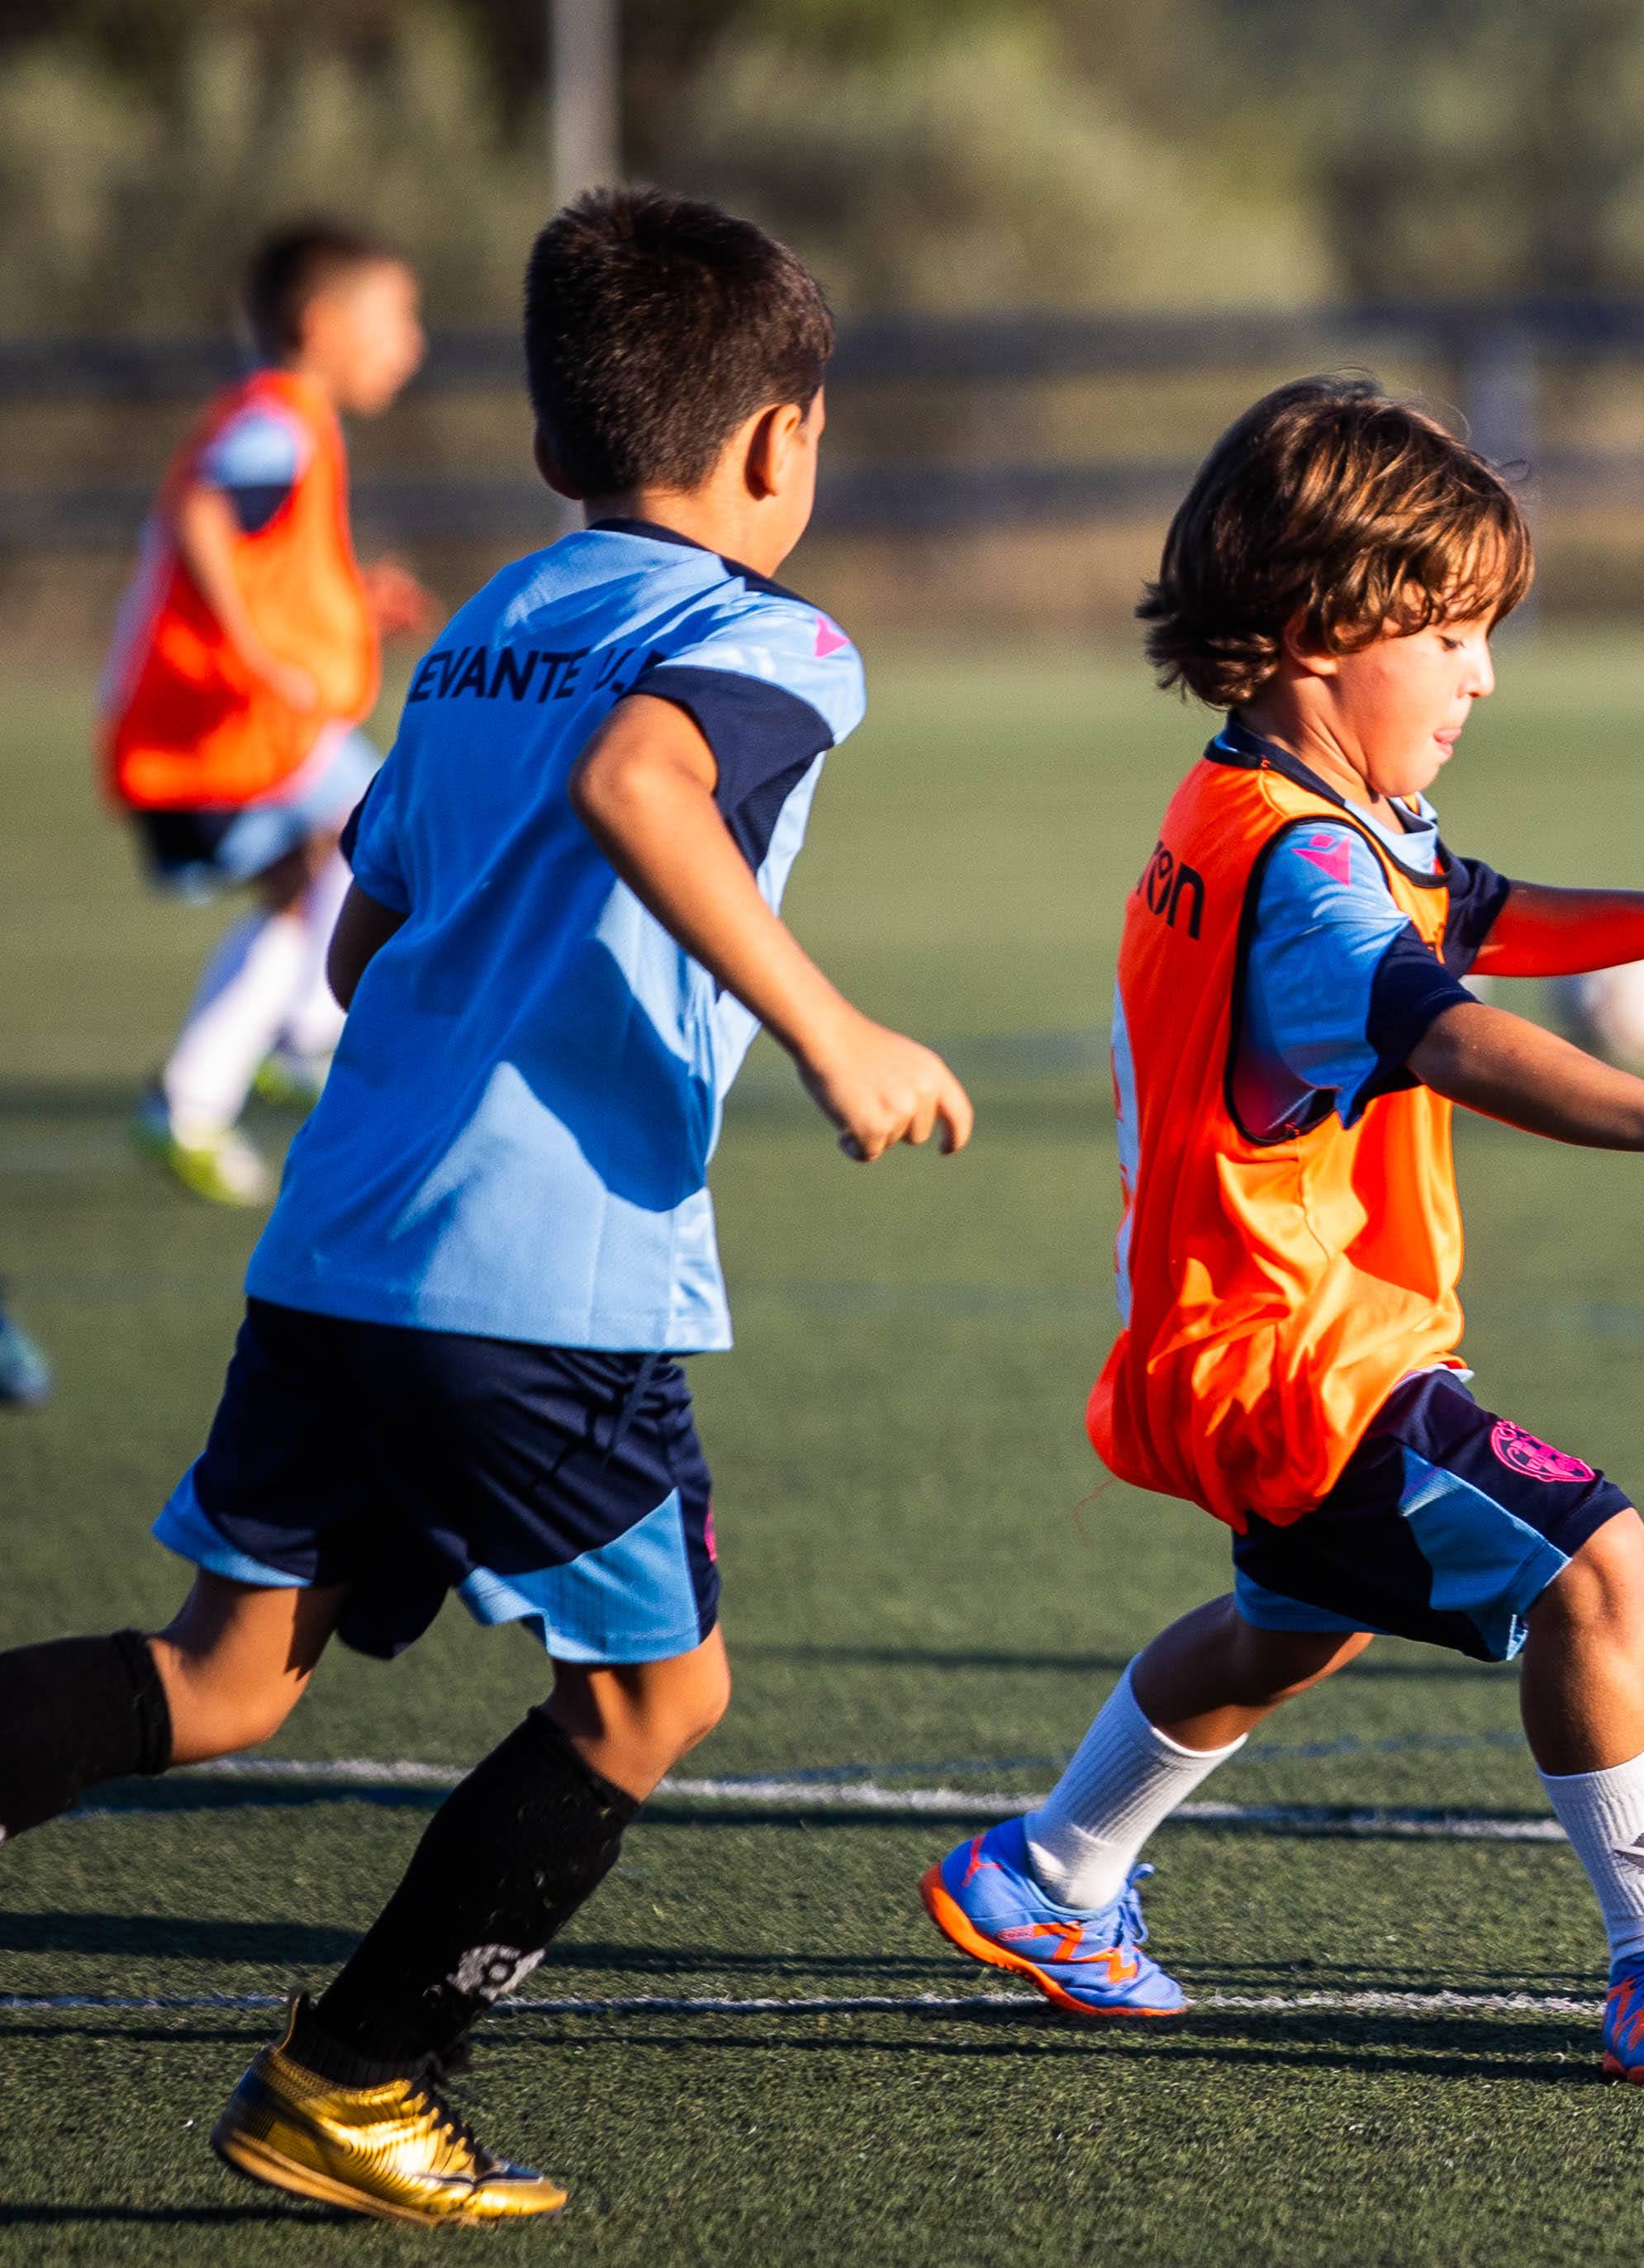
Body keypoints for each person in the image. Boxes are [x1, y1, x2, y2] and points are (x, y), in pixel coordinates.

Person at [0, 188, 972, 2225]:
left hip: (341, 1243)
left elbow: (365, 947)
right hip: (546, 1279)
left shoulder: (475, 633)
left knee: (225, 1676)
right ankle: (351, 2078)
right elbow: (643, 787)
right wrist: (831, 1030)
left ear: (549, 443)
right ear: (784, 441)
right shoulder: (765, 633)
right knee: (649, 1696)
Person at [917, 377, 1644, 2090]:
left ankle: (1050, 1867)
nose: (1482, 673)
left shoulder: (1278, 808)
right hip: (1297, 1353)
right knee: (1598, 1560)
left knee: (1297, 1617)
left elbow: (1462, 902)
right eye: (1451, 632)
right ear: (1311, 631)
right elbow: (1440, 1016)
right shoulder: (1301, 875)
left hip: (1236, 1335)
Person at [98, 222, 436, 1205]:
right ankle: (309, 1034)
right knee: (391, 813)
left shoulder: (285, 420)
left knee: (324, 866)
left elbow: (256, 547)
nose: (410, 344)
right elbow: (207, 513)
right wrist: (256, 652)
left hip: (227, 733)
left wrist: (348, 603)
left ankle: (197, 1097)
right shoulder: (279, 418)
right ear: (321, 323)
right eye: (395, 319)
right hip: (221, 733)